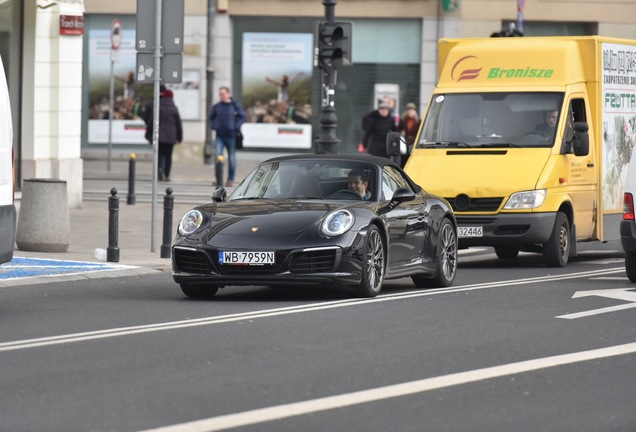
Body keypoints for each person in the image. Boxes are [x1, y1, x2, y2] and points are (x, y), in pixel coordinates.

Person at [142, 85, 183, 182]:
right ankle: (167, 174)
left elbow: (152, 121)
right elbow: (178, 124)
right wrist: (180, 137)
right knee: (168, 156)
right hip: (171, 136)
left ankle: (159, 169)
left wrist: (148, 133)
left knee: (159, 154)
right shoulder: (174, 108)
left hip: (159, 136)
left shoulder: (158, 107)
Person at [208, 86, 246, 187]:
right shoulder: (217, 106)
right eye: (220, 94)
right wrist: (214, 126)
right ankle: (218, 179)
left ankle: (230, 179)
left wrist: (236, 126)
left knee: (232, 159)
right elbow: (210, 118)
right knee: (218, 157)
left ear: (228, 94)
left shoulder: (234, 106)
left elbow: (243, 116)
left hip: (231, 136)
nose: (222, 96)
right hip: (219, 136)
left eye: (223, 94)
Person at [398, 102, 421, 168]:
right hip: (405, 142)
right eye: (409, 110)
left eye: (412, 110)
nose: (410, 112)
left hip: (414, 142)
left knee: (413, 157)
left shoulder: (418, 121)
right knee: (404, 158)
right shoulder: (403, 120)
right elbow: (398, 129)